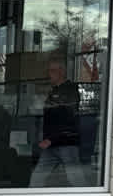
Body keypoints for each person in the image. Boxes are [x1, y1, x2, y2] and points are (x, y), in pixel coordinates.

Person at [29, 57, 88, 187]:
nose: (49, 74)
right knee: (37, 178)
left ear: (61, 71)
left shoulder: (69, 90)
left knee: (76, 180)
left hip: (66, 142)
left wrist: (51, 139)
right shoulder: (55, 91)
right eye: (49, 71)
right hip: (53, 143)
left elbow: (68, 119)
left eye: (52, 71)